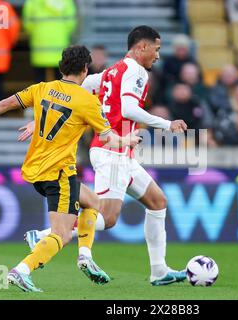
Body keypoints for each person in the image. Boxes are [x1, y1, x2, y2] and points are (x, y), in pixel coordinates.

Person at [0, 45, 141, 292]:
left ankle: (85, 256)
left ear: (62, 67)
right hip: (59, 173)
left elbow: (4, 105)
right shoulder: (87, 101)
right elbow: (107, 138)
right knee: (61, 235)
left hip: (36, 169)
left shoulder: (43, 89)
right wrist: (127, 140)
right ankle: (21, 270)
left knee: (93, 202)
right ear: (85, 69)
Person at [20, 26, 189, 286]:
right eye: (156, 49)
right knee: (107, 218)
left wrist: (46, 114)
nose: (157, 56)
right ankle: (44, 235)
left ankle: (159, 270)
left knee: (158, 201)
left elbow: (84, 84)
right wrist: (167, 125)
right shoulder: (137, 72)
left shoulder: (114, 70)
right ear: (141, 47)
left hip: (121, 152)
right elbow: (130, 109)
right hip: (113, 150)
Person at [22, 0, 77, 82]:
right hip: (60, 47)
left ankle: (41, 95)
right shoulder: (67, 1)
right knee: (61, 82)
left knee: (39, 82)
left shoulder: (32, 2)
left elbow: (27, 24)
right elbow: (71, 23)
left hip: (40, 48)